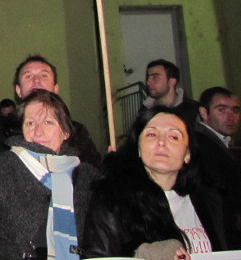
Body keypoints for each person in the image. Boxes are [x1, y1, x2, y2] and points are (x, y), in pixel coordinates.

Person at [0, 90, 97, 260]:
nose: (38, 132)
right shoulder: (2, 168)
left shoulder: (87, 176)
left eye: (48, 122)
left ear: (65, 131)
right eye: (30, 123)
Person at [82, 107, 228, 258]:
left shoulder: (211, 201)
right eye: (152, 134)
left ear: (187, 154)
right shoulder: (114, 198)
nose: (162, 142)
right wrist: (142, 254)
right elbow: (97, 255)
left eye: (174, 137)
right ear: (138, 148)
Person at [194, 86, 241, 248]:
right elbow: (217, 202)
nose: (230, 117)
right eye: (221, 110)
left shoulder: (218, 143)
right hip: (220, 238)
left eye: (235, 110)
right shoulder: (201, 144)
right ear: (204, 113)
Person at [142, 59, 200, 126]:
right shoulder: (145, 110)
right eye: (148, 77)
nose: (148, 82)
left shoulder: (193, 110)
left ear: (172, 81)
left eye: (155, 77)